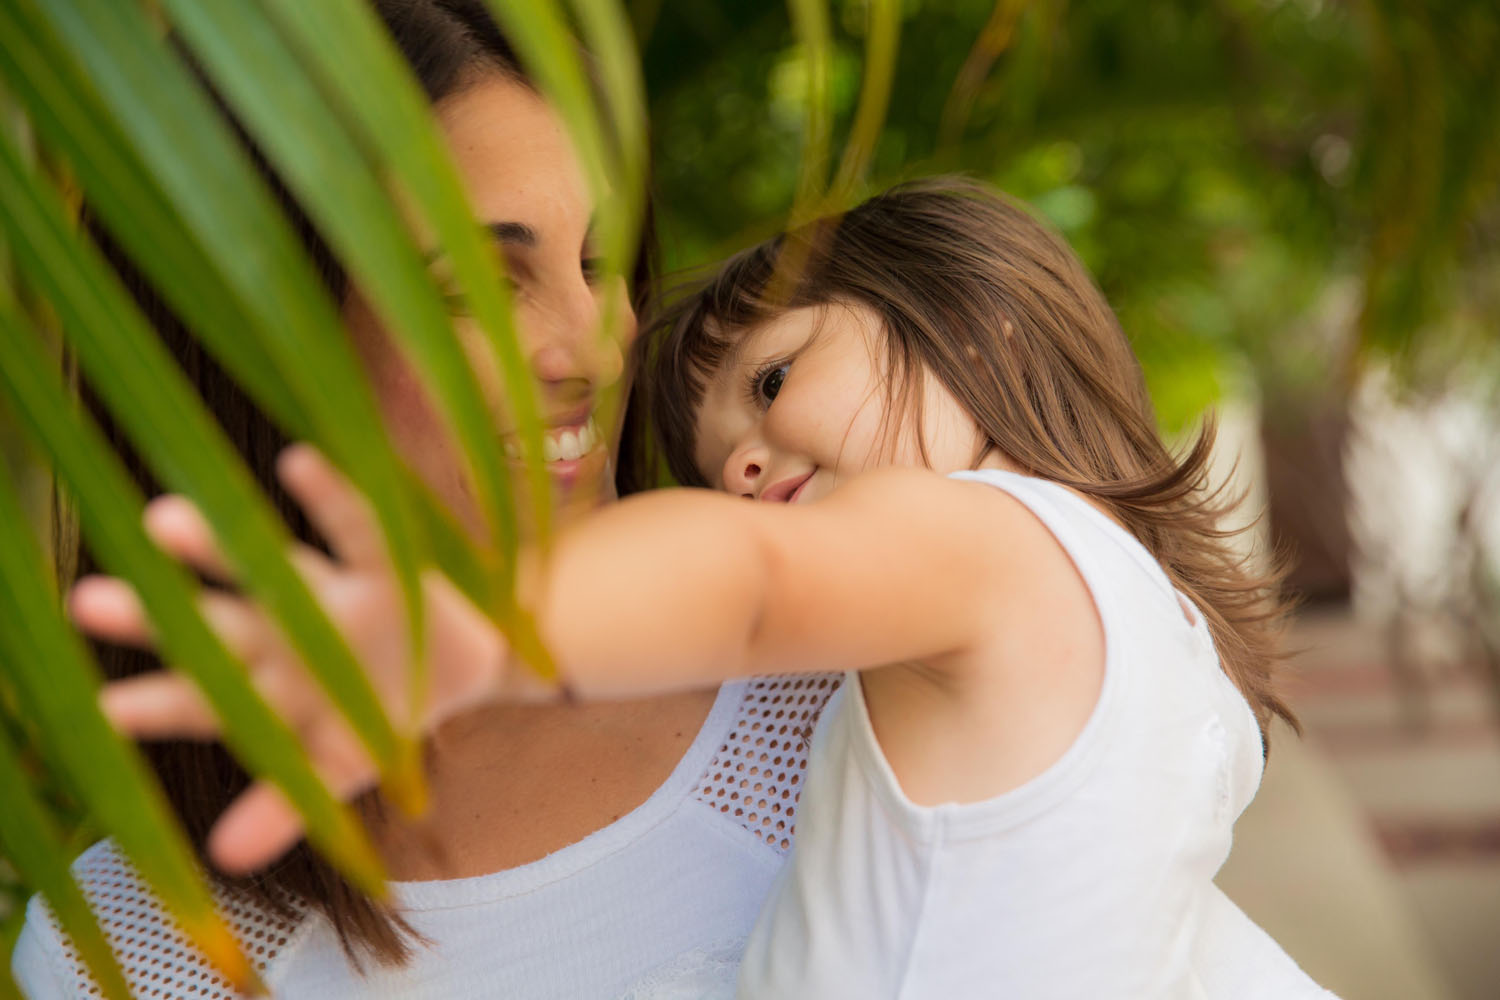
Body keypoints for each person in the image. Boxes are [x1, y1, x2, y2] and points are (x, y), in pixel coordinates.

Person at [78, 179, 1340, 997]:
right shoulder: (1122, 625)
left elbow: (748, 581)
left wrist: (472, 626)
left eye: (775, 380)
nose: (739, 459)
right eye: (713, 459)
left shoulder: (996, 549)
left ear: (981, 322)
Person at [11, 2, 843, 998]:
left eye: (598, 261)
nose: (591, 345)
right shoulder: (128, 947)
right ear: (257, 340)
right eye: (482, 287)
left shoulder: (841, 685)